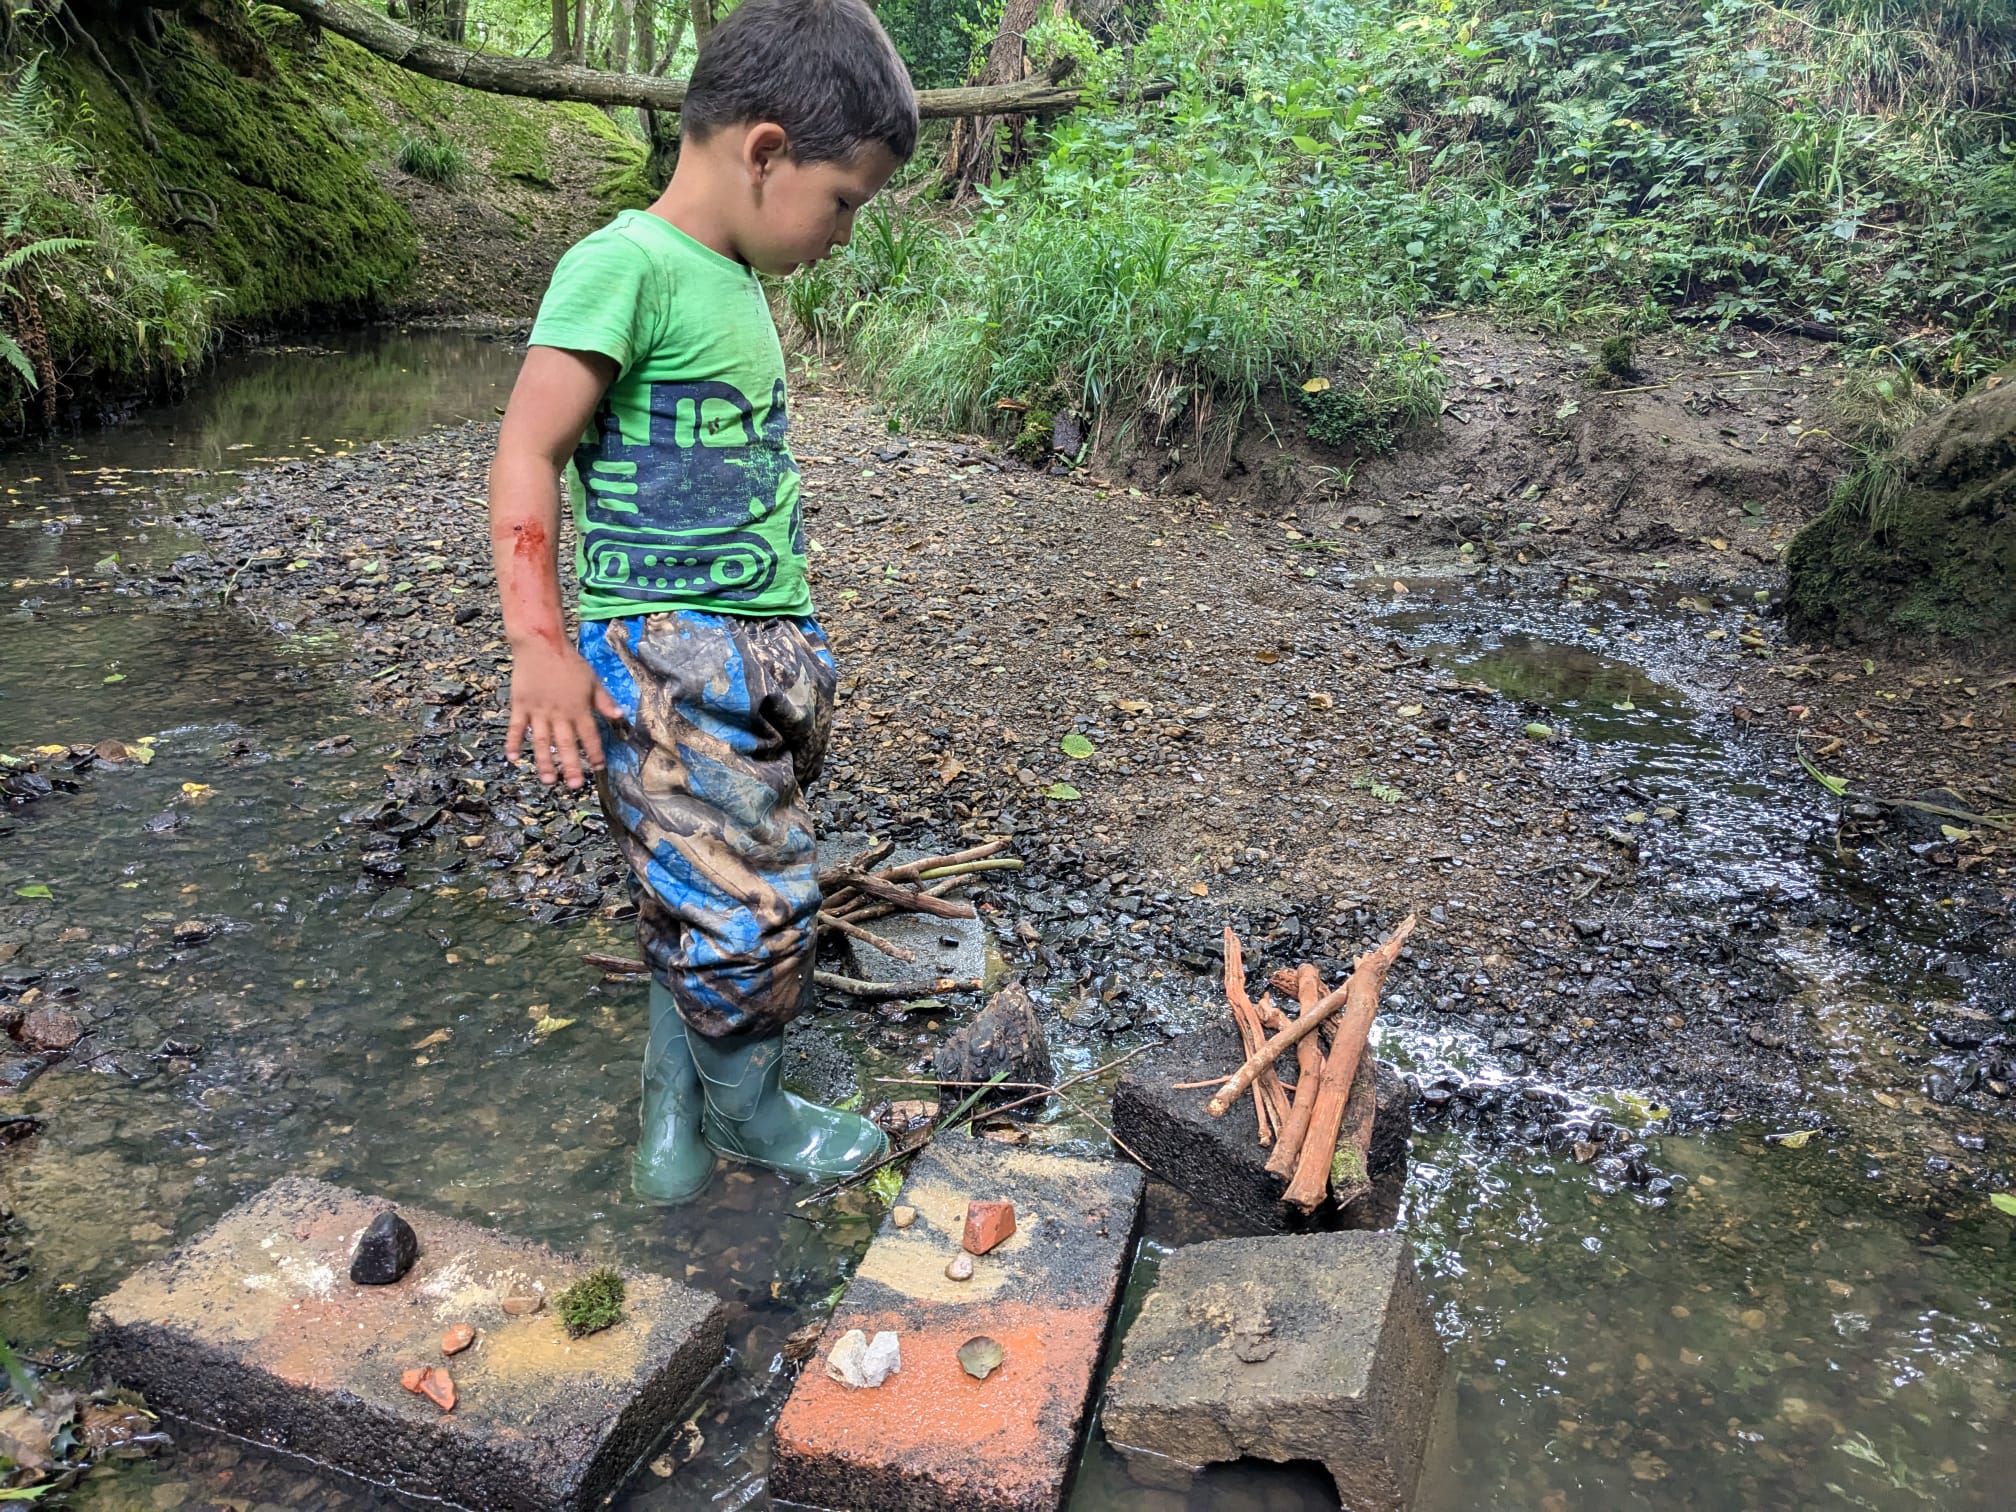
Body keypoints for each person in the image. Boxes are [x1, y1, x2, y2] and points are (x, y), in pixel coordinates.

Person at [486, 0, 915, 1204]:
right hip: (670, 656)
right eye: (844, 201)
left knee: (695, 882)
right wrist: (539, 640)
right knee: (750, 899)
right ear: (765, 151)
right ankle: (754, 1116)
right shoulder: (624, 263)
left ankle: (671, 1126)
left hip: (757, 648)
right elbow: (527, 450)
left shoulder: (728, 275)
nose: (844, 231)